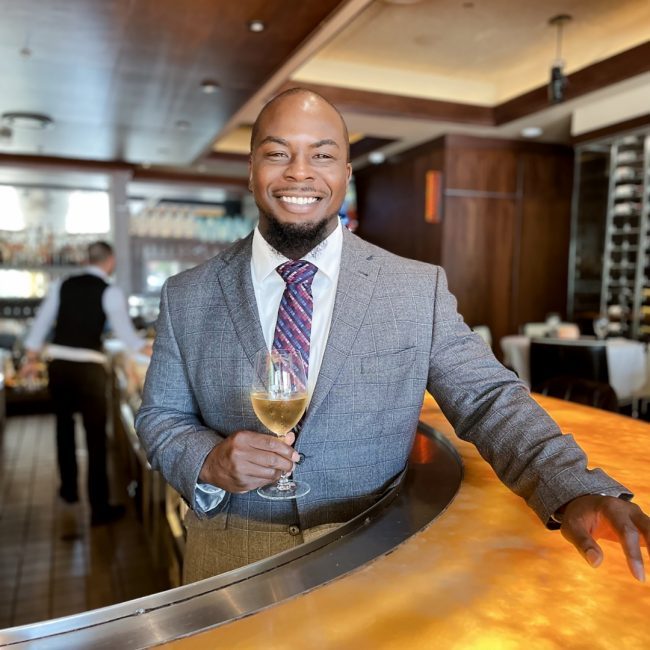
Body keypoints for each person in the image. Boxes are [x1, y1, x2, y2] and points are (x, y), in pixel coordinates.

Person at [136, 88, 650, 583]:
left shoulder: (414, 288)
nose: (300, 172)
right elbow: (161, 417)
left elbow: (488, 399)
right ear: (251, 170)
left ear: (345, 173)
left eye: (322, 155)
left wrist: (574, 488)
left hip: (370, 550)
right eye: (277, 154)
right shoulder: (188, 294)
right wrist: (207, 460)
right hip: (230, 559)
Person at [23, 241, 150, 526]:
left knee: (63, 429)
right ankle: (99, 508)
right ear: (110, 261)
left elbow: (40, 324)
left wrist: (31, 358)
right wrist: (152, 347)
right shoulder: (110, 291)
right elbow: (129, 339)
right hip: (89, 369)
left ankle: (69, 491)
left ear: (87, 260)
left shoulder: (62, 285)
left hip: (59, 365)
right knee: (95, 439)